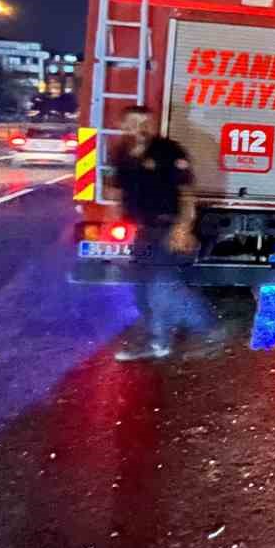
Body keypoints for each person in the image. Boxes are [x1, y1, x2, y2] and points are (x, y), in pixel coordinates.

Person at [112, 105, 214, 361]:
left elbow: (187, 193)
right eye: (134, 122)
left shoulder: (169, 151)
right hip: (144, 230)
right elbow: (119, 191)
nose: (141, 128)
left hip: (169, 227)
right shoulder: (121, 154)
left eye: (146, 122)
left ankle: (164, 340)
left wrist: (183, 228)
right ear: (124, 126)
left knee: (162, 286)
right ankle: (205, 328)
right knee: (142, 287)